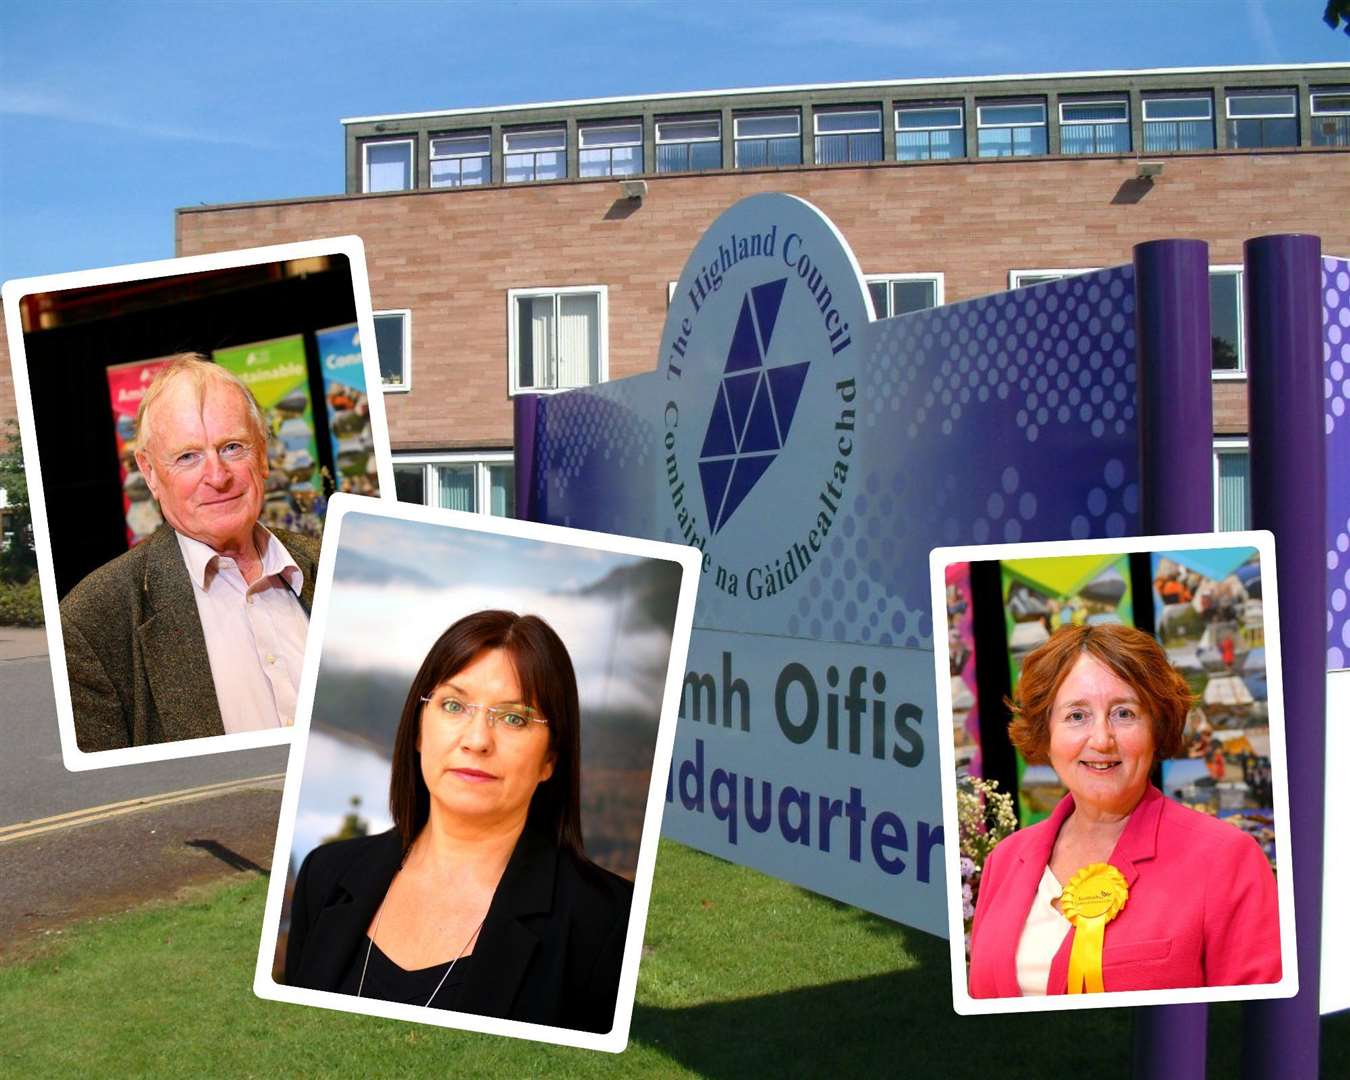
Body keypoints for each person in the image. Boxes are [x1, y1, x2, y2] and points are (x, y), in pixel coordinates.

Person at [285, 610, 632, 1034]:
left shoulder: (609, 924)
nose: (477, 740)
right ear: (418, 729)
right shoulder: (326, 875)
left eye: (514, 718)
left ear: (550, 759)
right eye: (453, 705)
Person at [968, 623, 1280, 998]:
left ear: (1156, 728)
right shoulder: (1005, 860)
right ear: (1046, 734)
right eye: (1077, 716)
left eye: (1124, 713)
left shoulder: (1227, 860)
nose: (1101, 739)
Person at [59, 355, 319, 750]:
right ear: (149, 473)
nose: (217, 476)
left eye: (232, 447)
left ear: (263, 454)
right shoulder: (92, 624)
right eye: (188, 457)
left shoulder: (337, 565)